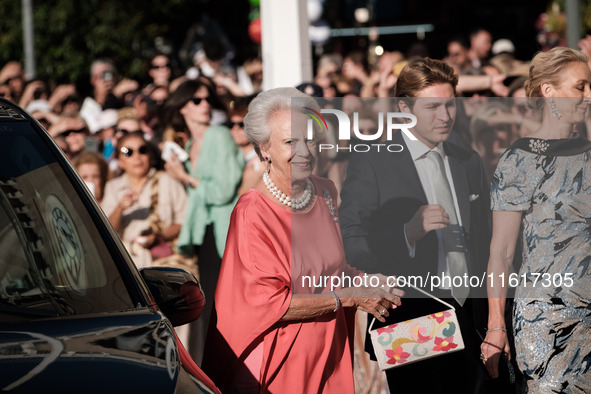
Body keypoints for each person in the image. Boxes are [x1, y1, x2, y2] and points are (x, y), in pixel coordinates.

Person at [202, 87, 401, 393]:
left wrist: (368, 280)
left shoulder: (325, 192)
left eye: (309, 139)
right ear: (264, 148)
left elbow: (332, 269)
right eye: (290, 142)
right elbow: (271, 305)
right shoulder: (252, 212)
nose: (305, 151)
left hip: (331, 347)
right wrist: (351, 297)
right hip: (280, 358)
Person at [339, 57, 492, 393]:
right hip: (411, 317)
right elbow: (351, 245)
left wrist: (495, 322)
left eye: (450, 105)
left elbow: (488, 244)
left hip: (472, 316)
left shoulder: (468, 161)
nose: (445, 116)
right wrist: (407, 234)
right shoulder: (372, 160)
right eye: (432, 106)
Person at [481, 46, 591, 393]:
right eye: (580, 87)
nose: (588, 95)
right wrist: (496, 324)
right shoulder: (519, 159)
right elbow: (501, 251)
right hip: (545, 320)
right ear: (548, 92)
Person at [162, 79, 243, 363]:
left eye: (207, 99)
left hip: (221, 231)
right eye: (197, 100)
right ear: (182, 106)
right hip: (202, 232)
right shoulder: (187, 143)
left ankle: (222, 367)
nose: (205, 104)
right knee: (205, 304)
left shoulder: (219, 135)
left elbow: (222, 190)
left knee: (219, 304)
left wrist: (185, 177)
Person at [101, 131, 188, 270]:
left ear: (150, 155)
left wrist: (158, 236)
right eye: (128, 152)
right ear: (120, 161)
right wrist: (120, 208)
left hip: (164, 263)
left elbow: (185, 221)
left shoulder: (168, 181)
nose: (137, 156)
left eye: (142, 150)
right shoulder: (112, 187)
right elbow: (106, 231)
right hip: (126, 264)